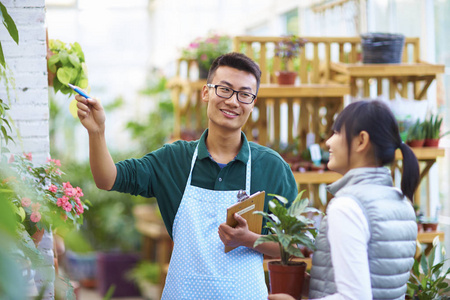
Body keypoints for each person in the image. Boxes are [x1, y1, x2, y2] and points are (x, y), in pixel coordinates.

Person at [75, 52, 298, 299]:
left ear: (252, 102)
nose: (234, 101)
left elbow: (294, 247)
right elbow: (108, 179)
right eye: (224, 89)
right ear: (206, 92)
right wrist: (97, 132)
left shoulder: (271, 167)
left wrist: (249, 239)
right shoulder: (174, 159)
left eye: (244, 94)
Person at [268, 100, 420, 300]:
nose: (328, 142)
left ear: (361, 141)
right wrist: (309, 286)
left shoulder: (348, 206)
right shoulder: (401, 202)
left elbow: (355, 297)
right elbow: (377, 285)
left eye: (337, 133)